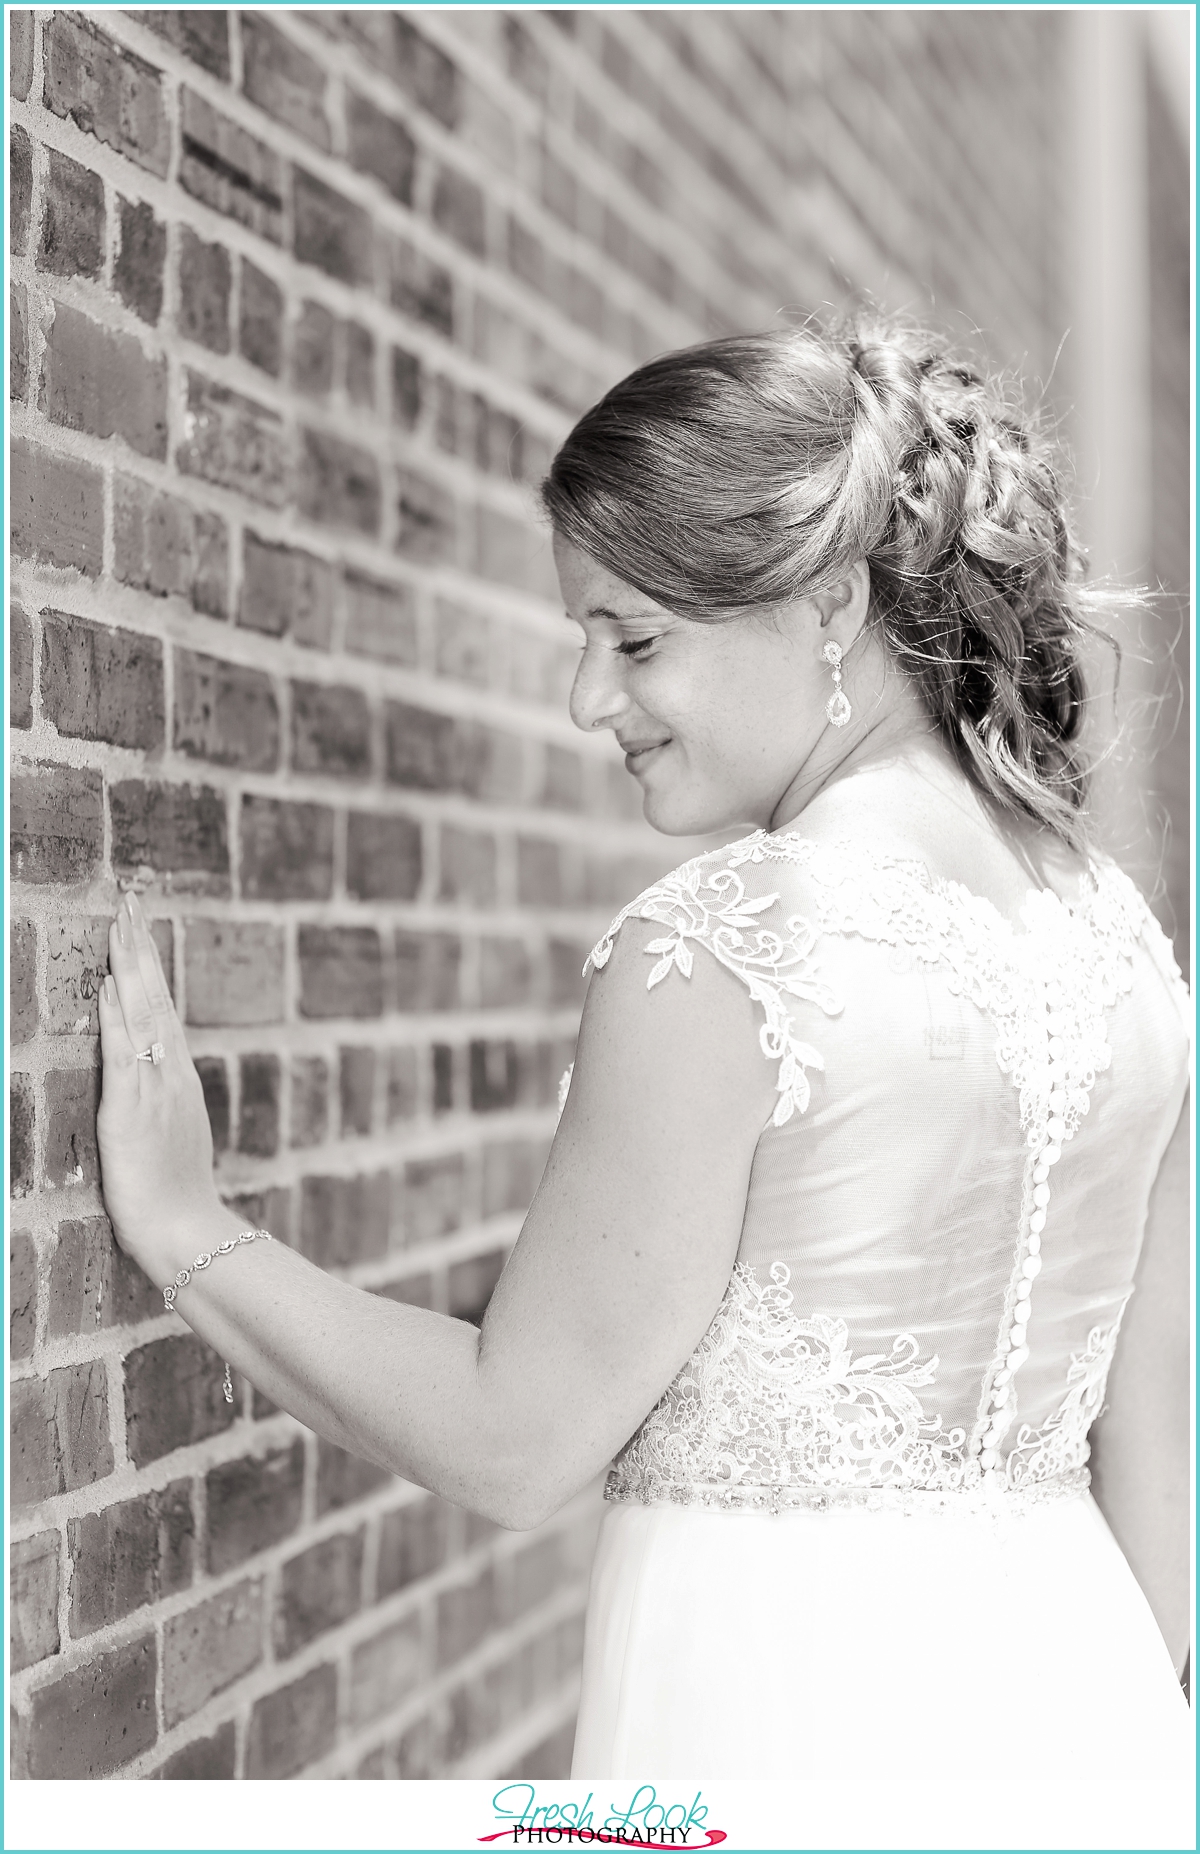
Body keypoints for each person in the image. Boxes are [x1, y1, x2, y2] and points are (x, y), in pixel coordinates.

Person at [96, 318, 1190, 1784]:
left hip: (783, 1716)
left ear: (826, 606)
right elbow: (1164, 1442)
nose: (588, 699)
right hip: (1095, 1717)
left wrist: (187, 1230)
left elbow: (516, 1436)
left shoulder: (728, 947)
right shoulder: (1124, 948)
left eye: (636, 637)